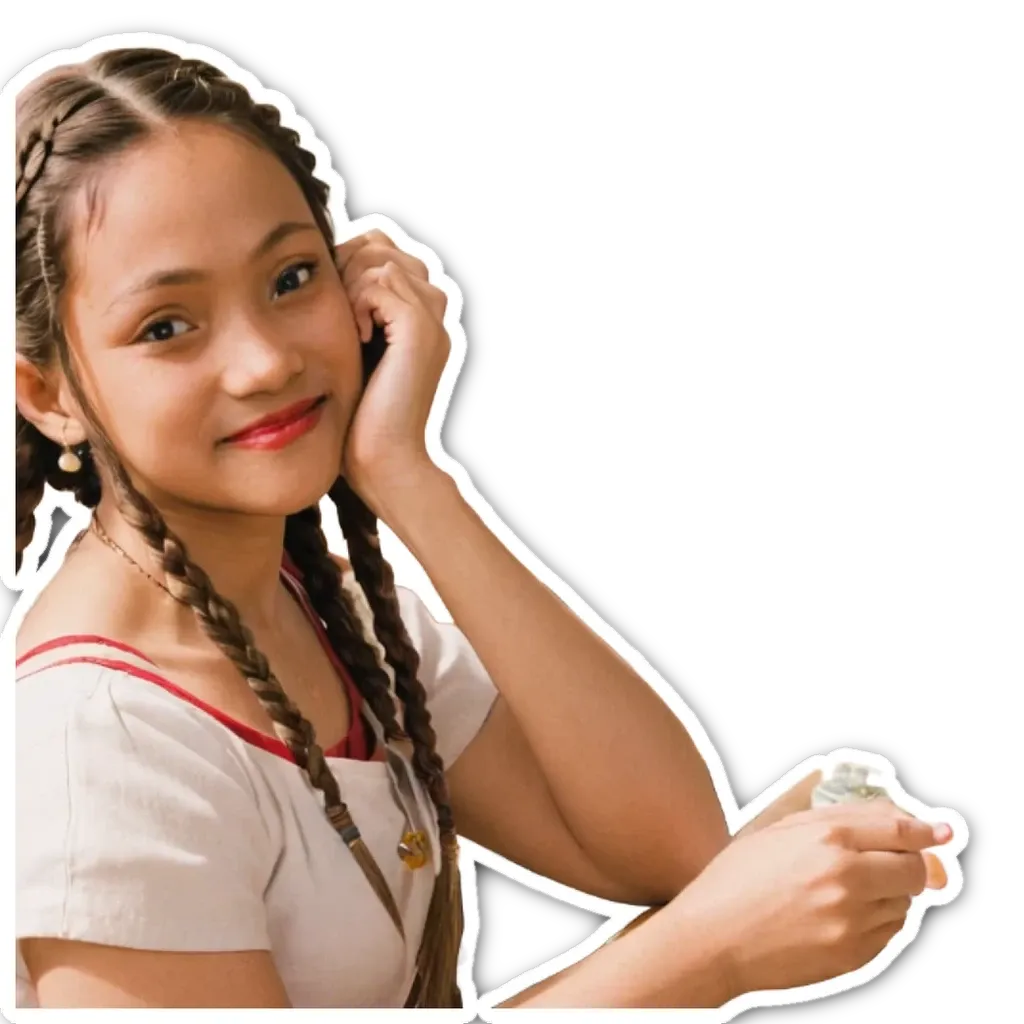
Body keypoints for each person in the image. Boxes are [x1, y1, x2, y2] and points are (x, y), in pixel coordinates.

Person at [11, 46, 955, 1010]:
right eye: (167, 326)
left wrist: (408, 476)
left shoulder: (332, 619)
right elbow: (694, 913)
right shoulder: (92, 750)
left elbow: (669, 853)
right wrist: (704, 957)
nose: (261, 361)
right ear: (47, 395)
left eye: (292, 277)